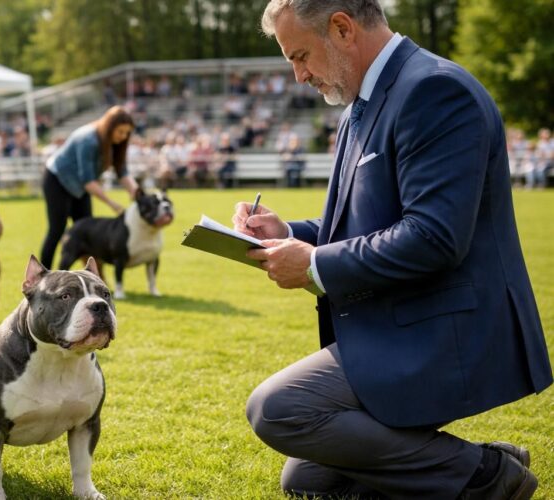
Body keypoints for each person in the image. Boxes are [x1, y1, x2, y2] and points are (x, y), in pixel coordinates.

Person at [234, 2, 552, 498]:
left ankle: (489, 479)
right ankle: (480, 460)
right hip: (408, 321)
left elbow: (433, 237)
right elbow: (367, 225)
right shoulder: (362, 103)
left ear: (342, 28)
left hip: (448, 331)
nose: (299, 75)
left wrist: (313, 264)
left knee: (277, 409)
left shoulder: (433, 90)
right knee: (309, 477)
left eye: (300, 56)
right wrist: (286, 231)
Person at [39, 105, 138, 269]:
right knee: (57, 230)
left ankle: (93, 278)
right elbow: (88, 180)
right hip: (57, 181)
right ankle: (43, 276)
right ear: (110, 128)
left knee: (89, 234)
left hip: (79, 187)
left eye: (127, 133)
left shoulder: (116, 143)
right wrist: (112, 204)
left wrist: (136, 192)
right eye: (120, 132)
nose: (123, 136)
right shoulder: (88, 140)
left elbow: (122, 171)